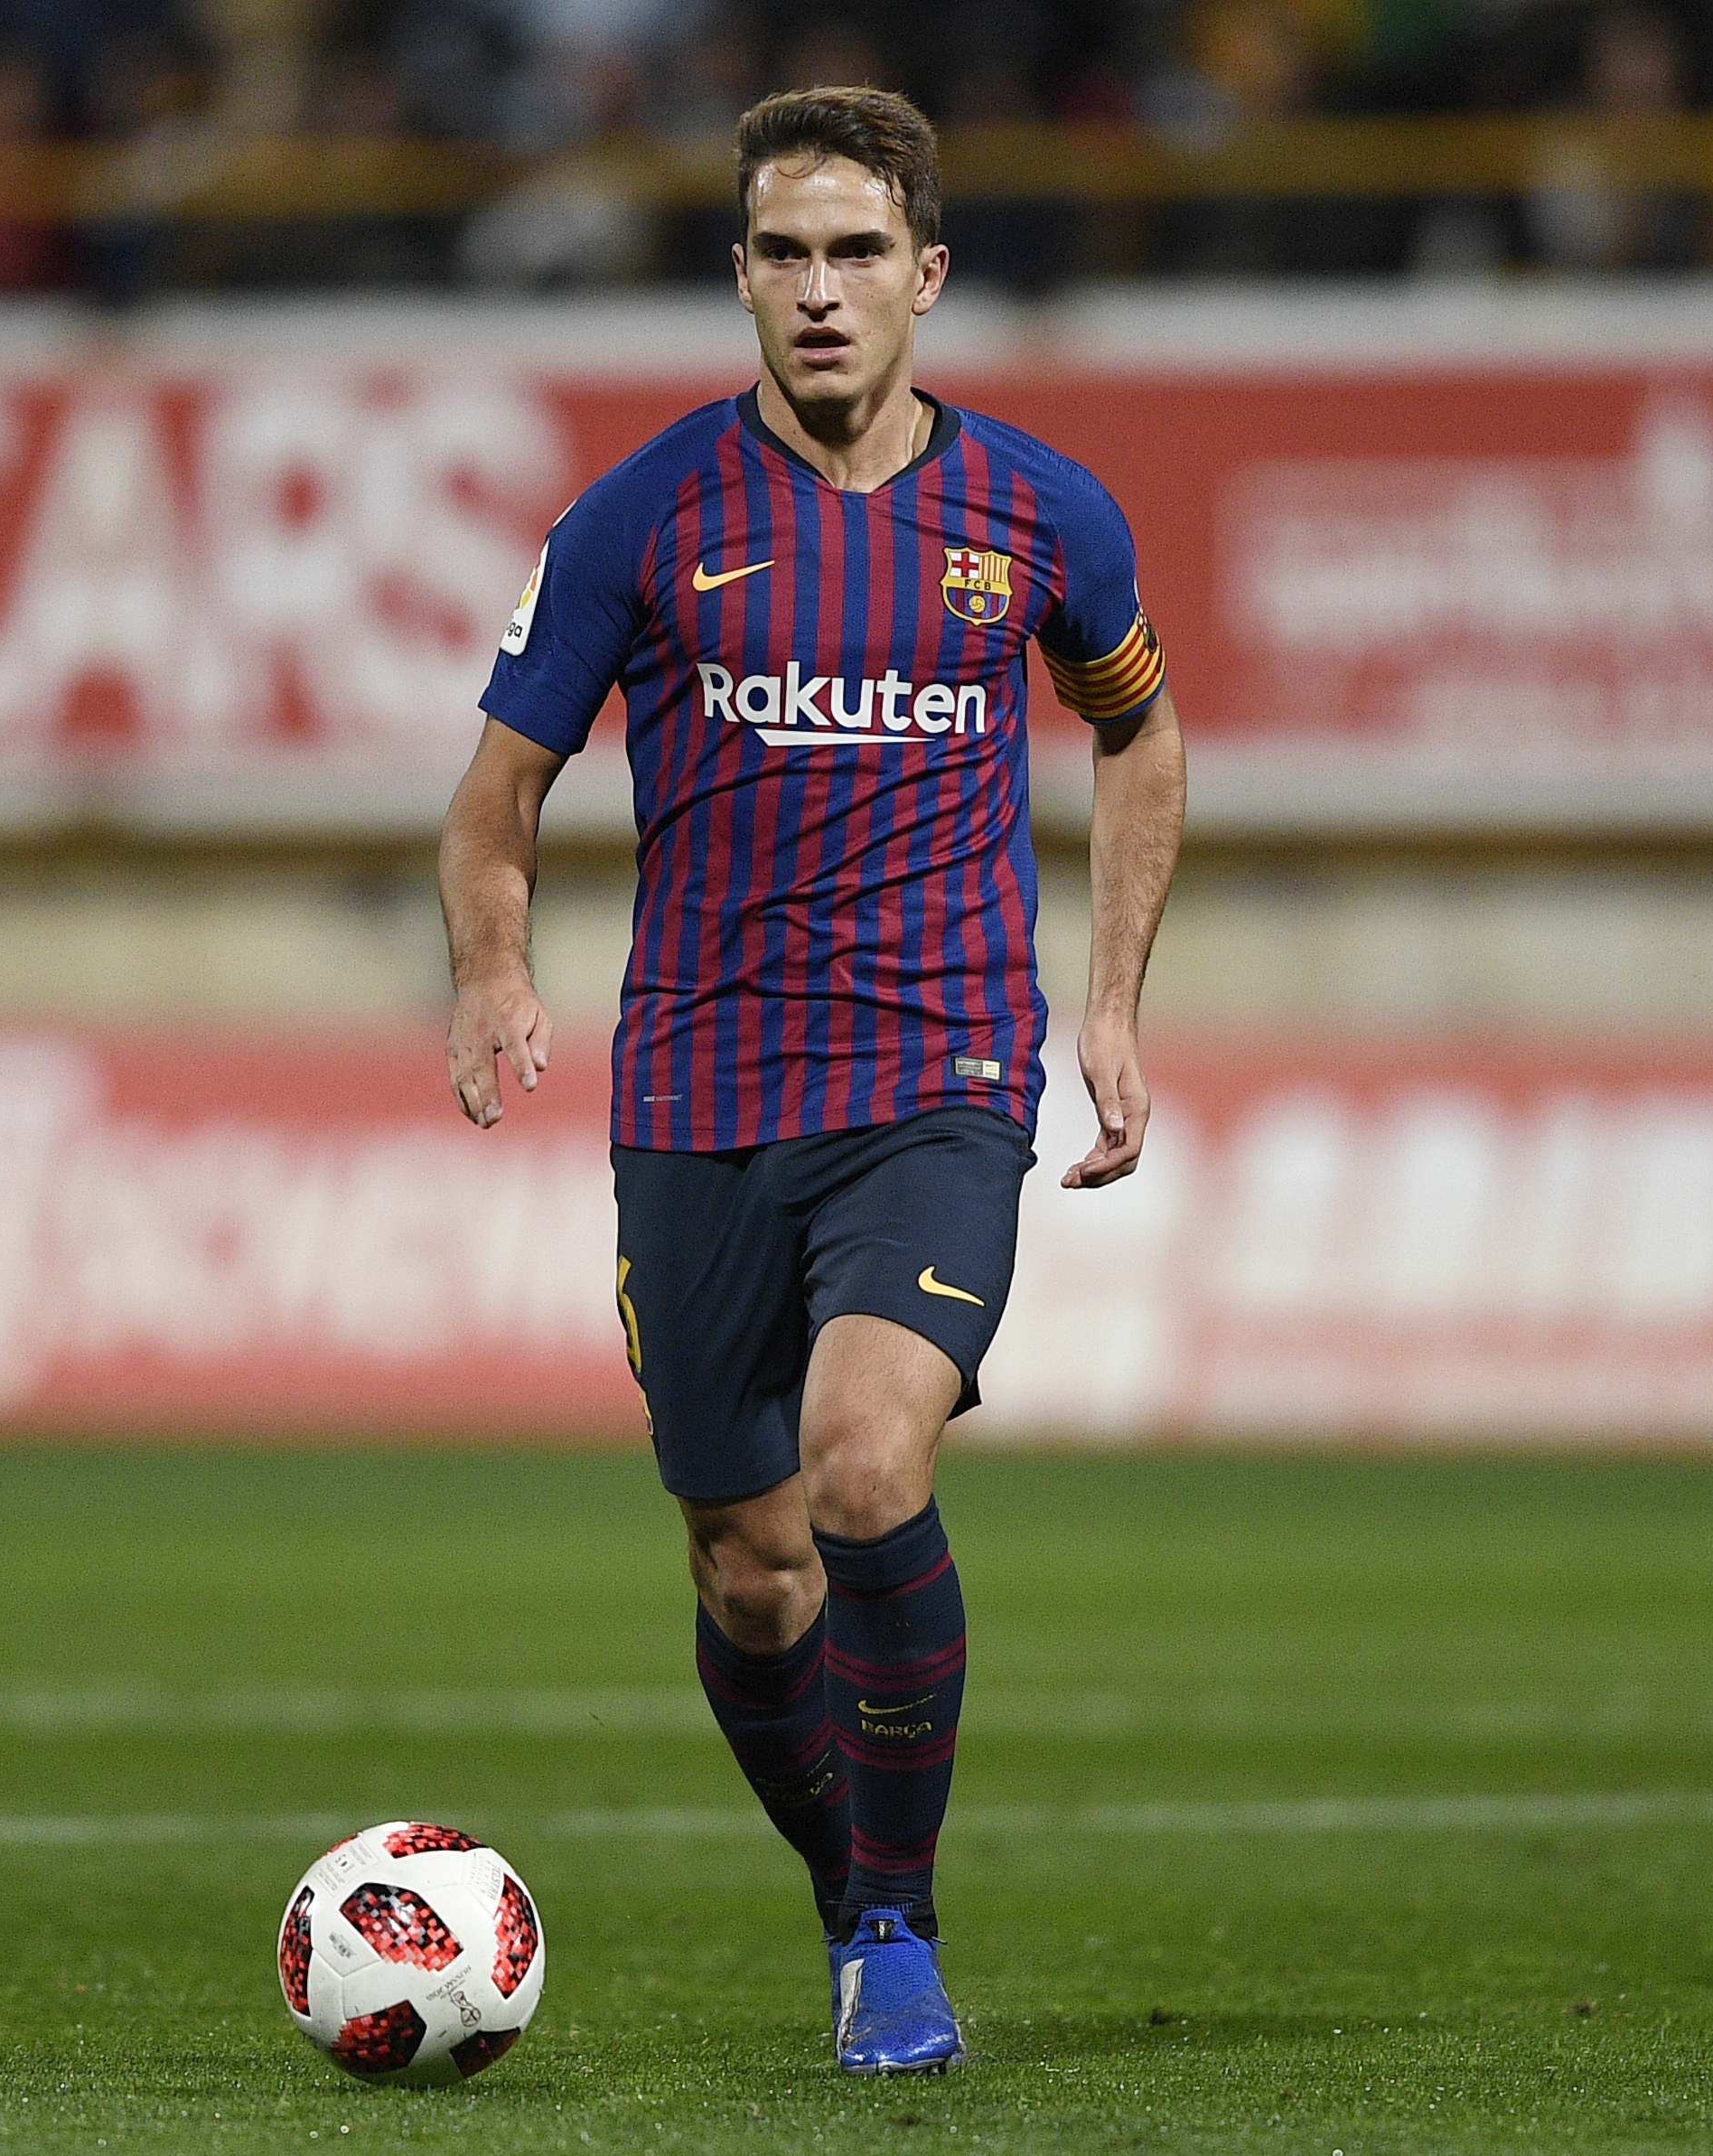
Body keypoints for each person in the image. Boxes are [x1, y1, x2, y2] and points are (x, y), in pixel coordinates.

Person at [435, 83, 1187, 2076]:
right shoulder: (640, 518)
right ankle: (845, 1888)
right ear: (741, 281)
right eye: (783, 253)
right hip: (694, 1097)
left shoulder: (1035, 513)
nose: (821, 290)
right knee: (744, 1557)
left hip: (937, 1080)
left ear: (927, 277)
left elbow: (1139, 734)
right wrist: (494, 964)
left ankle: (891, 1926)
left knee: (866, 1461)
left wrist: (1106, 995)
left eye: (859, 252)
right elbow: (491, 799)